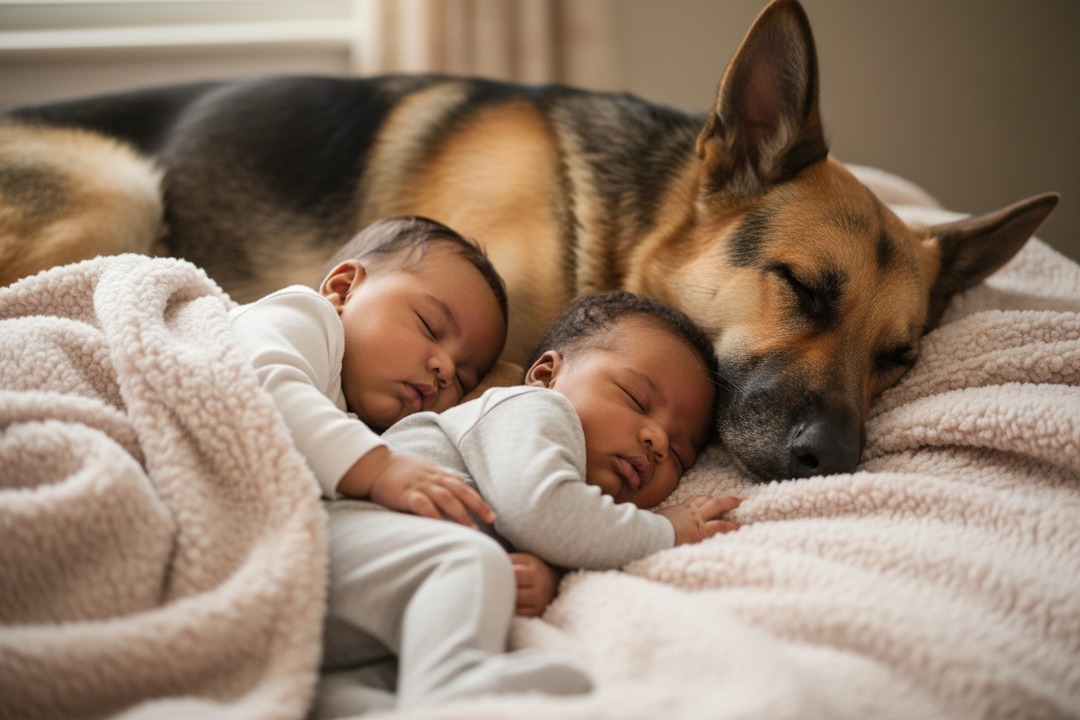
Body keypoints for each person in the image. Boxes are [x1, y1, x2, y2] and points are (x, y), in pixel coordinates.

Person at [315, 290, 744, 717]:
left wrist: (552, 573)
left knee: (370, 688)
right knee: (470, 560)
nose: (658, 441)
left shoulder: (569, 501)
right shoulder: (531, 408)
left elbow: (557, 527)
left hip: (367, 614)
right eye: (635, 398)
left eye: (680, 455)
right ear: (545, 375)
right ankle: (457, 685)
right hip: (345, 545)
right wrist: (666, 531)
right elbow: (543, 514)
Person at [228, 215, 506, 526]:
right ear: (343, 289)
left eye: (463, 380)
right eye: (430, 326)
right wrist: (379, 469)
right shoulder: (304, 317)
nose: (446, 369)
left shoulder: (376, 437)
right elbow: (261, 383)